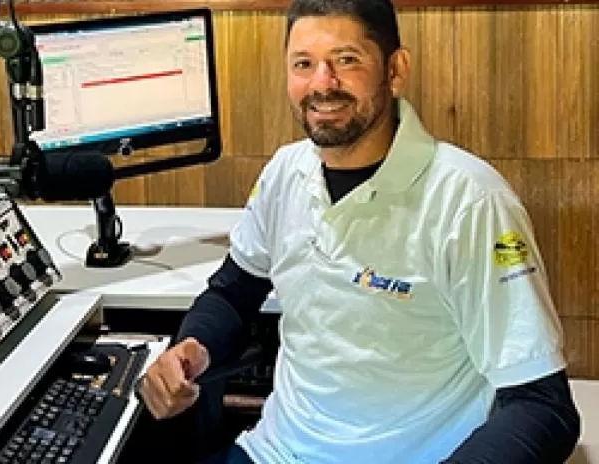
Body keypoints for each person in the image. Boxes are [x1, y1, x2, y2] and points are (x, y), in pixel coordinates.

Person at [137, 0, 581, 462]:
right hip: (275, 452)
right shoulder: (286, 172)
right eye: (303, 64)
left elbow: (542, 406)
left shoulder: (469, 201)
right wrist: (191, 348)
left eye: (346, 60)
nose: (322, 83)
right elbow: (233, 293)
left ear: (395, 69)